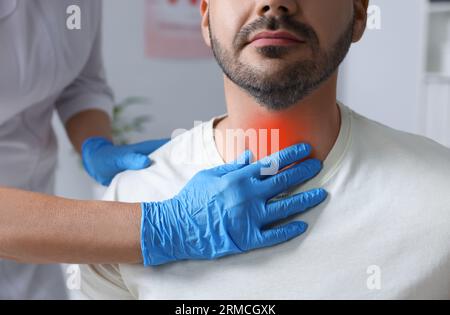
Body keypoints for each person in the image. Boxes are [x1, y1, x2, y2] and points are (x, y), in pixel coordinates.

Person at [81, 0, 450, 299]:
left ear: (358, 14)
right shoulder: (132, 199)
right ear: (206, 16)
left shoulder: (440, 196)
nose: (274, 4)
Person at [0, 0, 326, 299]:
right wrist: (165, 227)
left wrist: (93, 144)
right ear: (206, 16)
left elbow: (79, 83)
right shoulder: (133, 193)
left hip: (34, 241)